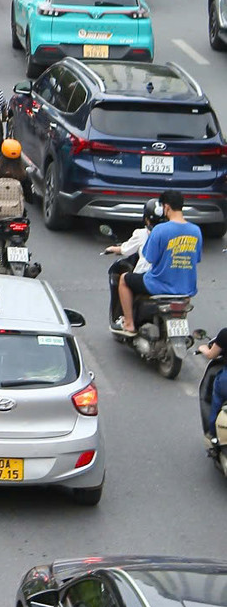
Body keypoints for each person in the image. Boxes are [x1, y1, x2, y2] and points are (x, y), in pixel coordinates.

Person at [117, 189, 202, 334]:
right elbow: (196, 259)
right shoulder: (196, 231)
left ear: (166, 207)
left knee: (124, 279)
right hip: (186, 289)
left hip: (159, 285)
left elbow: (150, 258)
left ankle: (129, 323)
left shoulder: (160, 230)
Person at [196, 328, 227, 451]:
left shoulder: (225, 333)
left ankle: (212, 434)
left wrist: (202, 348)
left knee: (217, 401)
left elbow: (211, 355)